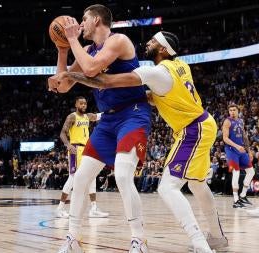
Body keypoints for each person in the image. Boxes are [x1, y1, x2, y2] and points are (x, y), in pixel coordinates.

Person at [60, 31, 227, 253]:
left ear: (163, 50)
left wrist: (71, 76)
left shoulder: (155, 72)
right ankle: (217, 238)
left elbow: (107, 81)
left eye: (153, 41)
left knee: (167, 188)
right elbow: (160, 95)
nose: (147, 43)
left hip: (192, 129)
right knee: (197, 184)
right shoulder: (181, 66)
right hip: (203, 123)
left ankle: (201, 245)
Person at [48, 4, 152, 253]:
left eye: (84, 19)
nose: (80, 24)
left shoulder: (119, 40)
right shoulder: (85, 49)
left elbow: (92, 68)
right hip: (107, 121)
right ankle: (72, 238)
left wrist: (71, 38)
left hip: (133, 114)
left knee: (124, 176)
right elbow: (60, 87)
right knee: (81, 178)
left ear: (96, 20)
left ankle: (139, 239)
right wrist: (63, 50)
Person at [55, 96, 108, 218]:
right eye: (81, 104)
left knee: (92, 176)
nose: (83, 105)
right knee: (73, 178)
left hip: (87, 149)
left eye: (85, 103)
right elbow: (62, 133)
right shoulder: (72, 116)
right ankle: (60, 208)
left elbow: (99, 116)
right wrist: (67, 144)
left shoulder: (88, 116)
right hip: (75, 149)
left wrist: (113, 110)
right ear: (76, 105)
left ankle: (94, 208)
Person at [222, 104, 255, 208]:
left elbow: (244, 136)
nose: (232, 112)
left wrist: (249, 151)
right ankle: (236, 200)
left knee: (251, 172)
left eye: (234, 110)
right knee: (236, 172)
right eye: (230, 110)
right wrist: (236, 146)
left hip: (241, 149)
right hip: (231, 150)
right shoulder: (227, 121)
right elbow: (225, 138)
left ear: (238, 111)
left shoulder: (241, 121)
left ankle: (243, 195)